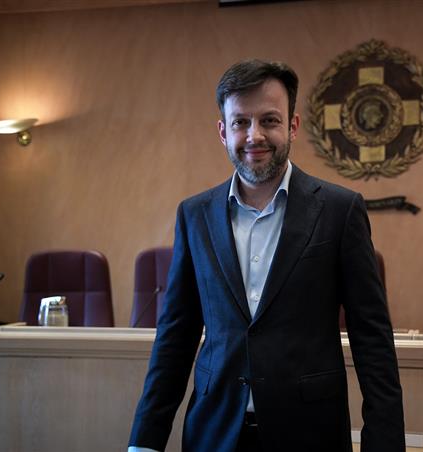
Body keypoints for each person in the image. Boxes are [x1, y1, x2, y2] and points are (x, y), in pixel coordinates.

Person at [129, 59, 405, 452]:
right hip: (214, 433)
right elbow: (175, 337)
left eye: (269, 120)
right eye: (240, 122)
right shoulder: (194, 215)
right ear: (223, 132)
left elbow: (372, 341)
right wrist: (145, 441)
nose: (254, 135)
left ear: (292, 126)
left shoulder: (340, 211)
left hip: (310, 435)